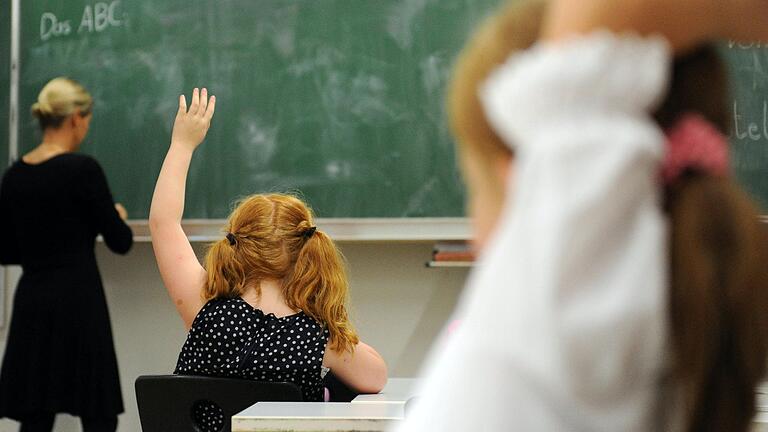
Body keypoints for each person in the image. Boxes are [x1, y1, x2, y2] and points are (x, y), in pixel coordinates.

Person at [398, 0, 768, 430]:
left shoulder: (545, 329)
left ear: (528, 183)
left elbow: (600, 19)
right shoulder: (681, 348)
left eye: (475, 191)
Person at [149, 88, 387, 407]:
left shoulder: (205, 306)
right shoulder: (314, 336)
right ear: (306, 252)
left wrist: (182, 144)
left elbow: (164, 223)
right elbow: (375, 378)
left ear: (236, 243)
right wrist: (333, 331)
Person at [0, 77, 133, 432]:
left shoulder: (14, 176)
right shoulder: (83, 170)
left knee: (36, 413)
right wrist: (113, 217)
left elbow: (7, 249)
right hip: (79, 301)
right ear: (76, 117)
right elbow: (120, 241)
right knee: (97, 412)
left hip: (33, 302)